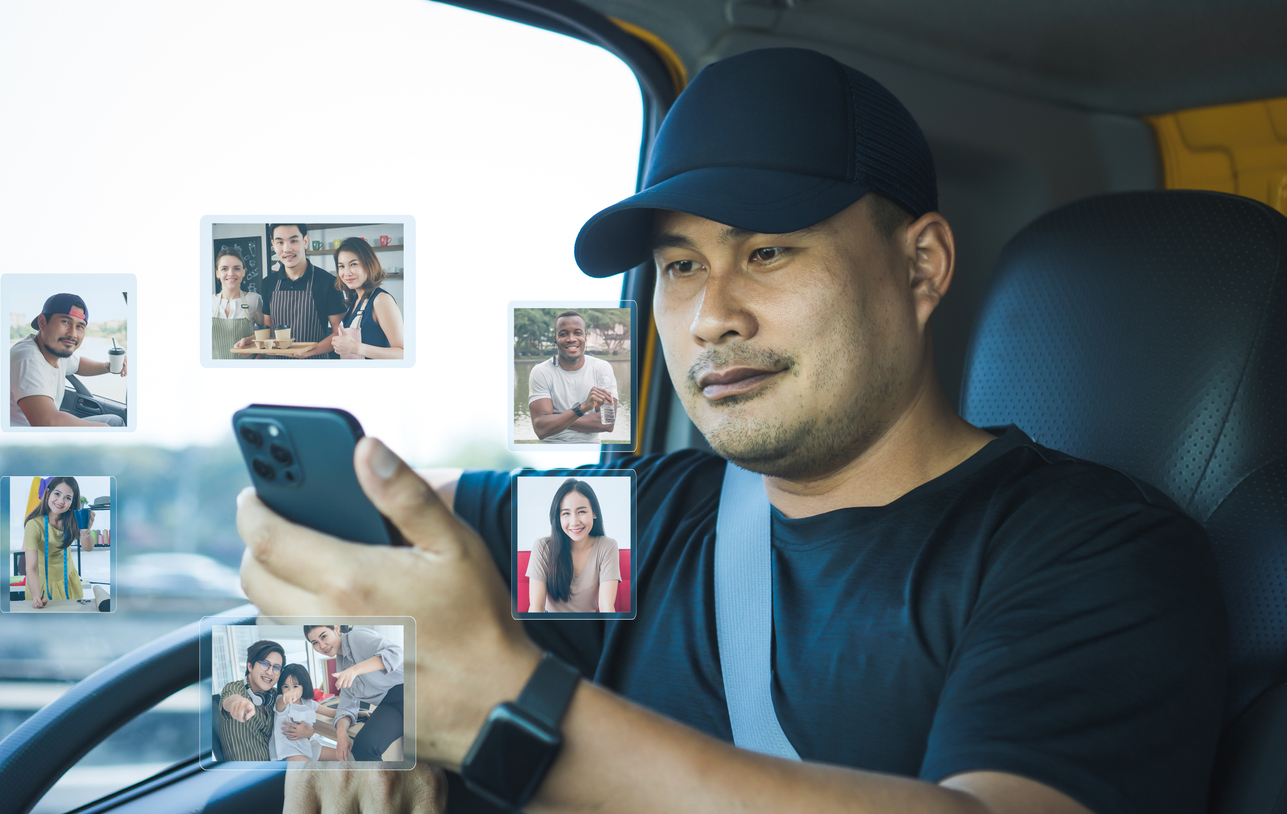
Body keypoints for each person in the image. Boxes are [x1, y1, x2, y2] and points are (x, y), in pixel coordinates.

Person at [237, 49, 1227, 814]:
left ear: (921, 268)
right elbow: (380, 523)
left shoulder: (1092, 552)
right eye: (679, 266)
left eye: (767, 250)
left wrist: (515, 710)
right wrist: (345, 721)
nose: (712, 314)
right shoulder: (634, 523)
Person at [10, 293, 127, 427]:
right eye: (65, 322)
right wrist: (104, 430)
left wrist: (110, 366)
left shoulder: (56, 350)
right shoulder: (27, 359)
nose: (72, 334)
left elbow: (78, 364)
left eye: (80, 326)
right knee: (111, 427)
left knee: (115, 421)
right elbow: (47, 422)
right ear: (42, 322)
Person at [235, 224, 347, 359]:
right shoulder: (268, 283)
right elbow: (269, 329)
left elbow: (340, 332)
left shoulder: (328, 282)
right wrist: (250, 341)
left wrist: (308, 352)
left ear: (305, 241)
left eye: (293, 241)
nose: (287, 249)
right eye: (280, 242)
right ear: (273, 245)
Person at [304, 624, 405, 761]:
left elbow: (396, 653)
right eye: (315, 642)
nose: (322, 645)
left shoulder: (356, 637)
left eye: (324, 636)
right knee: (363, 748)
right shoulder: (342, 664)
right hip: (390, 703)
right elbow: (346, 706)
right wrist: (341, 733)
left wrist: (355, 670)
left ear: (336, 629)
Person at [527, 478, 620, 613]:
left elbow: (606, 606)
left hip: (588, 626)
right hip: (550, 625)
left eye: (581, 511)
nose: (574, 522)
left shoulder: (607, 546)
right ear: (558, 518)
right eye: (566, 513)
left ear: (594, 512)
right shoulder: (542, 547)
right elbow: (536, 607)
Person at [527, 310, 618, 442]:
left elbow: (608, 423)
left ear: (585, 336)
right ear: (555, 339)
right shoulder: (541, 372)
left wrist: (557, 418)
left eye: (577, 333)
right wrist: (581, 409)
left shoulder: (601, 368)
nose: (571, 339)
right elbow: (541, 429)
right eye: (563, 334)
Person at [23, 477, 94, 608]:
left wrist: (86, 530)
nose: (61, 501)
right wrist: (36, 596)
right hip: (41, 585)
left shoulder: (72, 519)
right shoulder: (34, 525)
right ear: (48, 492)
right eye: (57, 494)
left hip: (69, 581)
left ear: (73, 502)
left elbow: (88, 548)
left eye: (68, 498)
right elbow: (31, 567)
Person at [331, 237, 405, 360]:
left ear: (369, 264)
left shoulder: (381, 300)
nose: (347, 273)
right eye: (341, 266)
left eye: (353, 264)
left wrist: (356, 348)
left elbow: (403, 354)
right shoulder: (356, 300)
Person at [218, 639, 284, 762]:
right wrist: (238, 704)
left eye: (276, 668)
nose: (270, 672)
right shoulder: (234, 688)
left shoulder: (274, 696)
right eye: (265, 664)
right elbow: (231, 699)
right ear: (250, 666)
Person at [271, 663, 340, 762]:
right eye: (286, 686)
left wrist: (359, 713)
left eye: (295, 686)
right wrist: (286, 697)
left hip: (307, 747)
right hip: (288, 754)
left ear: (303, 686)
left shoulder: (308, 703)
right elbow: (282, 701)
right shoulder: (281, 702)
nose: (290, 690)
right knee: (311, 771)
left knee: (344, 755)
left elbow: (332, 713)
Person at [211, 245, 265, 359]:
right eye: (224, 269)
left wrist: (258, 359)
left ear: (244, 272)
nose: (231, 273)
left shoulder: (255, 300)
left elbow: (266, 335)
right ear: (217, 273)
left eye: (237, 268)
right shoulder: (206, 302)